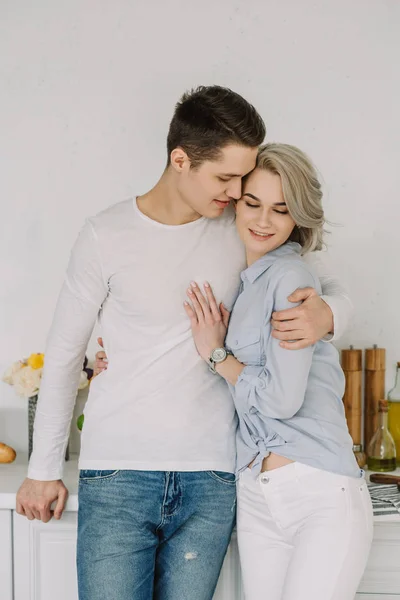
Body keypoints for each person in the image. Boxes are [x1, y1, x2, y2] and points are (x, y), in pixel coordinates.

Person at [16, 86, 353, 600]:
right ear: (181, 160)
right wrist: (43, 468)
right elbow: (64, 355)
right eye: (226, 177)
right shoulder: (105, 234)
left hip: (213, 476)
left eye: (243, 178)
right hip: (118, 473)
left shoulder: (243, 227)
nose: (238, 191)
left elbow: (330, 285)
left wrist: (330, 315)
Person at [182, 143, 373, 600]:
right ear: (236, 202)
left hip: (319, 488)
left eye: (281, 210)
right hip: (256, 491)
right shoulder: (248, 280)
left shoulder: (292, 277)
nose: (263, 221)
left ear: (297, 218)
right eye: (253, 204)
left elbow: (281, 402)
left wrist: (217, 356)